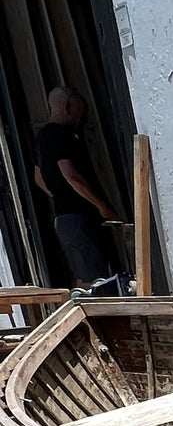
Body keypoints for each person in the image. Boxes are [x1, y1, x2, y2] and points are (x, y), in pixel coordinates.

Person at [32, 87, 122, 289]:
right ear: (68, 107)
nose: (81, 118)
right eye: (80, 112)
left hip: (63, 220)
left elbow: (38, 177)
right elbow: (71, 175)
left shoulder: (42, 137)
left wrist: (59, 195)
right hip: (79, 218)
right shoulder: (61, 135)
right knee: (98, 281)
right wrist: (102, 206)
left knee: (84, 277)